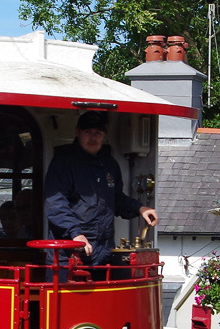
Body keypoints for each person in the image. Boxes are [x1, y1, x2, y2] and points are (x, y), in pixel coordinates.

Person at [44, 110, 157, 267]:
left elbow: (115, 199)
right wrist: (75, 235)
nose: (93, 137)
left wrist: (140, 209)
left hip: (103, 255)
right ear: (78, 132)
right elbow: (55, 204)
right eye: (88, 132)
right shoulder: (63, 162)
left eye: (97, 132)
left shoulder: (109, 164)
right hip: (68, 257)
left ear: (104, 135)